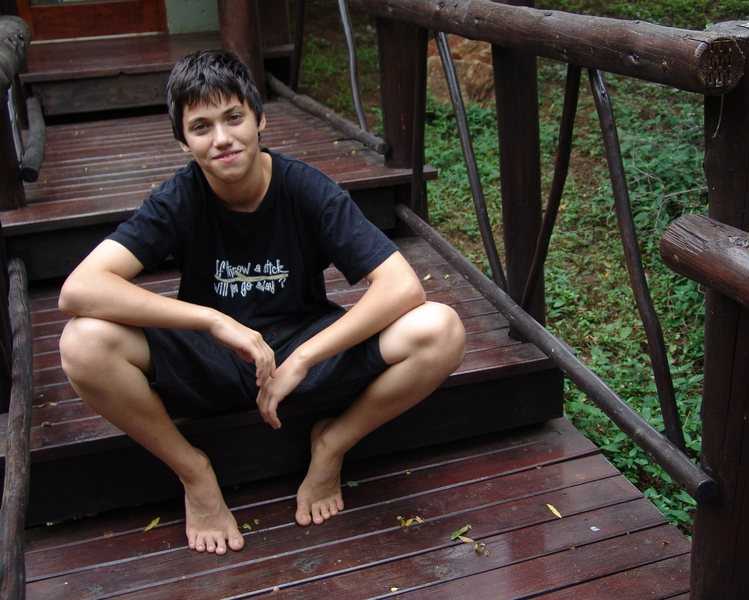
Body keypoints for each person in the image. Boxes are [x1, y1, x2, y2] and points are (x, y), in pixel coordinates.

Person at [57, 50, 465, 556]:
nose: (222, 139)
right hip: (211, 360)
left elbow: (402, 286)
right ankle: (196, 473)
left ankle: (331, 443)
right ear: (183, 141)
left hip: (302, 348)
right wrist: (208, 320)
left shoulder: (305, 188)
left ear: (260, 119)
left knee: (440, 328)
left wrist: (305, 357)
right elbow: (79, 289)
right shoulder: (179, 197)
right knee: (82, 342)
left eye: (234, 118)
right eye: (201, 126)